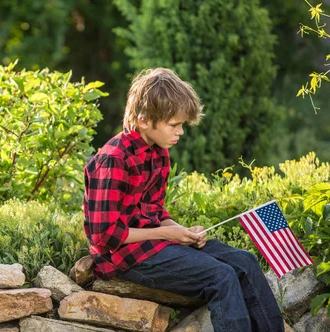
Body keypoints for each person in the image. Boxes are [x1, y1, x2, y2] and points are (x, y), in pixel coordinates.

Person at [83, 68, 284, 331]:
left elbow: (153, 212)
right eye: (174, 125)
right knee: (220, 276)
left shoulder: (158, 153)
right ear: (144, 120)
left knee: (245, 261)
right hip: (123, 258)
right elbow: (104, 236)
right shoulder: (115, 159)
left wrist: (181, 231)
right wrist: (168, 233)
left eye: (181, 125)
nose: (180, 132)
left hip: (155, 244)